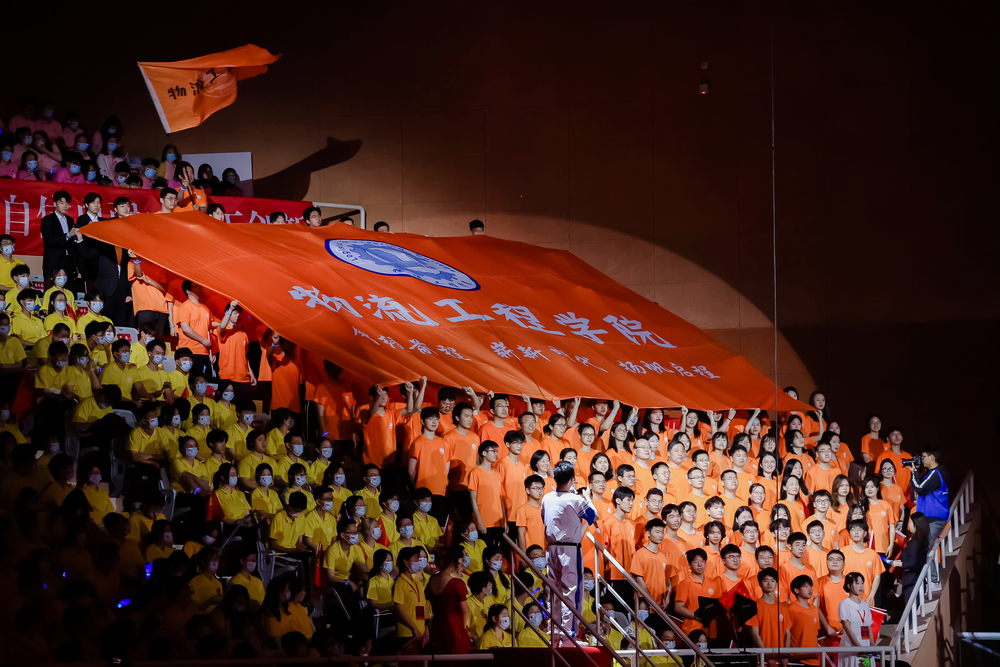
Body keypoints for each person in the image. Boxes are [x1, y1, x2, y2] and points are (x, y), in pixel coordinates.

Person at [541, 460, 598, 643]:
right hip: (569, 550)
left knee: (554, 589)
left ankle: (554, 630)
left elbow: (544, 518)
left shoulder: (547, 498)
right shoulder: (576, 499)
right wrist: (588, 497)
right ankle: (568, 633)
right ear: (572, 479)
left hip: (551, 549)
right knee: (570, 590)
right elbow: (592, 516)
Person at [910, 449, 948, 590]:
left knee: (927, 548)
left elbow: (919, 489)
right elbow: (915, 492)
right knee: (924, 548)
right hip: (928, 519)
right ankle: (930, 581)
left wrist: (914, 472)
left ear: (932, 457)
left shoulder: (935, 474)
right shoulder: (929, 475)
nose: (922, 459)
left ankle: (934, 581)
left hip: (935, 519)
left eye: (924, 457)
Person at [426, 545, 472, 653]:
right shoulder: (457, 583)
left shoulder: (432, 580)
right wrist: (463, 630)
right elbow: (464, 610)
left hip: (437, 625)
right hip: (454, 627)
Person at [469, 440, 506, 547]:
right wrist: (480, 521)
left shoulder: (497, 474)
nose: (496, 454)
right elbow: (473, 500)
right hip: (484, 521)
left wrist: (504, 521)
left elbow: (501, 498)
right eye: (493, 451)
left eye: (497, 451)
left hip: (498, 522)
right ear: (484, 453)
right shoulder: (475, 473)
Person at [40, 190, 83, 284]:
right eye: (62, 203)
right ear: (55, 204)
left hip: (69, 264)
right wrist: (67, 235)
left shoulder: (70, 220)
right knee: (51, 293)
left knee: (70, 294)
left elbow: (72, 243)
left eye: (67, 203)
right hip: (53, 263)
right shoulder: (47, 220)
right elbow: (49, 241)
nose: (65, 206)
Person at [174, 280, 214, 378]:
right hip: (190, 352)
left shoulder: (206, 309)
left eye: (200, 286)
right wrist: (202, 340)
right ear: (188, 291)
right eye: (196, 286)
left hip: (204, 352)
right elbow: (185, 328)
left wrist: (211, 352)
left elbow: (209, 329)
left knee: (204, 382)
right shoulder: (185, 307)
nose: (200, 288)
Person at [837, 572, 874, 667]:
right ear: (849, 585)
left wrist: (872, 646)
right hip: (851, 644)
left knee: (866, 665)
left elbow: (868, 627)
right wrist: (858, 647)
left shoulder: (865, 605)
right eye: (857, 583)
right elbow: (847, 628)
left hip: (864, 641)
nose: (861, 586)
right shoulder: (844, 604)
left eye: (862, 583)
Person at [893, 512, 930, 601]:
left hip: (912, 582)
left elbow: (913, 563)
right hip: (914, 580)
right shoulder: (920, 541)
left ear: (916, 525)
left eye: (911, 522)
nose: (909, 524)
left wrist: (898, 564)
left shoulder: (914, 543)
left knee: (911, 611)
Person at [747, 567, 781, 648]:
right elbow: (755, 634)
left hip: (781, 657)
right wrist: (766, 654)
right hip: (762, 658)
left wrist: (785, 655)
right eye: (766, 581)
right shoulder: (754, 607)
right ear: (760, 584)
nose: (769, 584)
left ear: (777, 584)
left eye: (772, 581)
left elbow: (787, 633)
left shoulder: (783, 608)